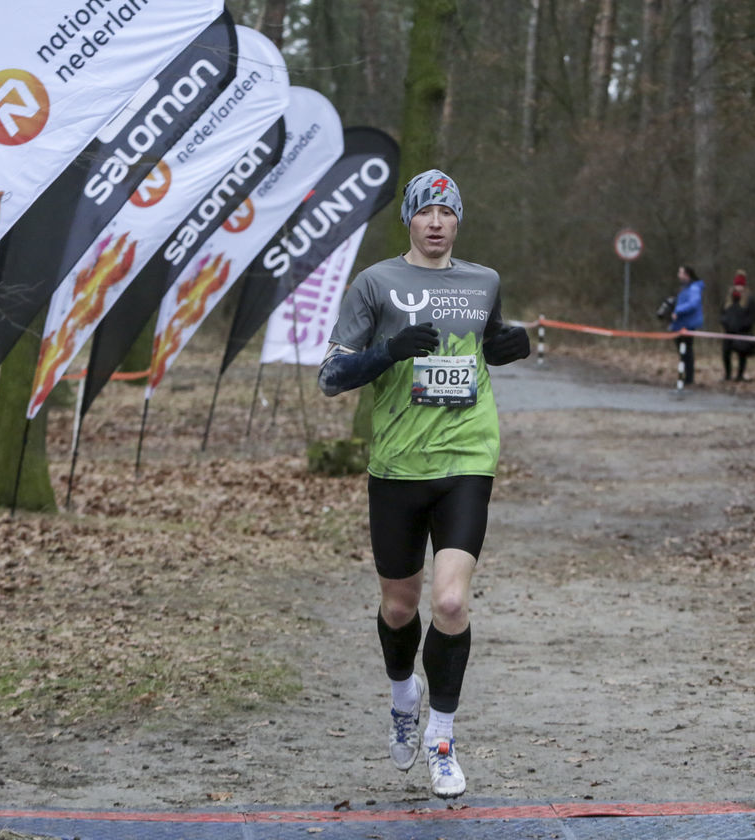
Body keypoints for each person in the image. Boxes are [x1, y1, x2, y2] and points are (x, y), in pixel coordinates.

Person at [317, 169, 530, 799]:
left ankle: (442, 738)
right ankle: (402, 696)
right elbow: (331, 377)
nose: (436, 222)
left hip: (467, 456)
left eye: (447, 212)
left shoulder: (484, 281)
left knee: (451, 604)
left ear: (458, 220)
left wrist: (508, 345)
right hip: (397, 466)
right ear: (408, 219)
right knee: (399, 607)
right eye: (425, 212)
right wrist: (389, 350)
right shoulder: (374, 283)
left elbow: (487, 343)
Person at [668, 264, 704, 385]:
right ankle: (684, 375)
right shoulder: (684, 288)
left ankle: (689, 377)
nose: (678, 275)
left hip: (688, 324)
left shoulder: (694, 288)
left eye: (680, 272)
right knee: (682, 351)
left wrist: (678, 310)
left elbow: (693, 304)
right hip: (680, 323)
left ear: (687, 275)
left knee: (687, 351)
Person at [719, 269, 755, 381]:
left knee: (742, 355)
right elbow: (722, 313)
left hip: (742, 332)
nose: (738, 287)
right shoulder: (728, 299)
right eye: (737, 285)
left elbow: (752, 315)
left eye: (740, 285)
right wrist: (725, 322)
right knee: (726, 353)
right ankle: (727, 374)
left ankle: (740, 375)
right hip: (728, 332)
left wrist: (743, 326)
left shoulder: (749, 299)